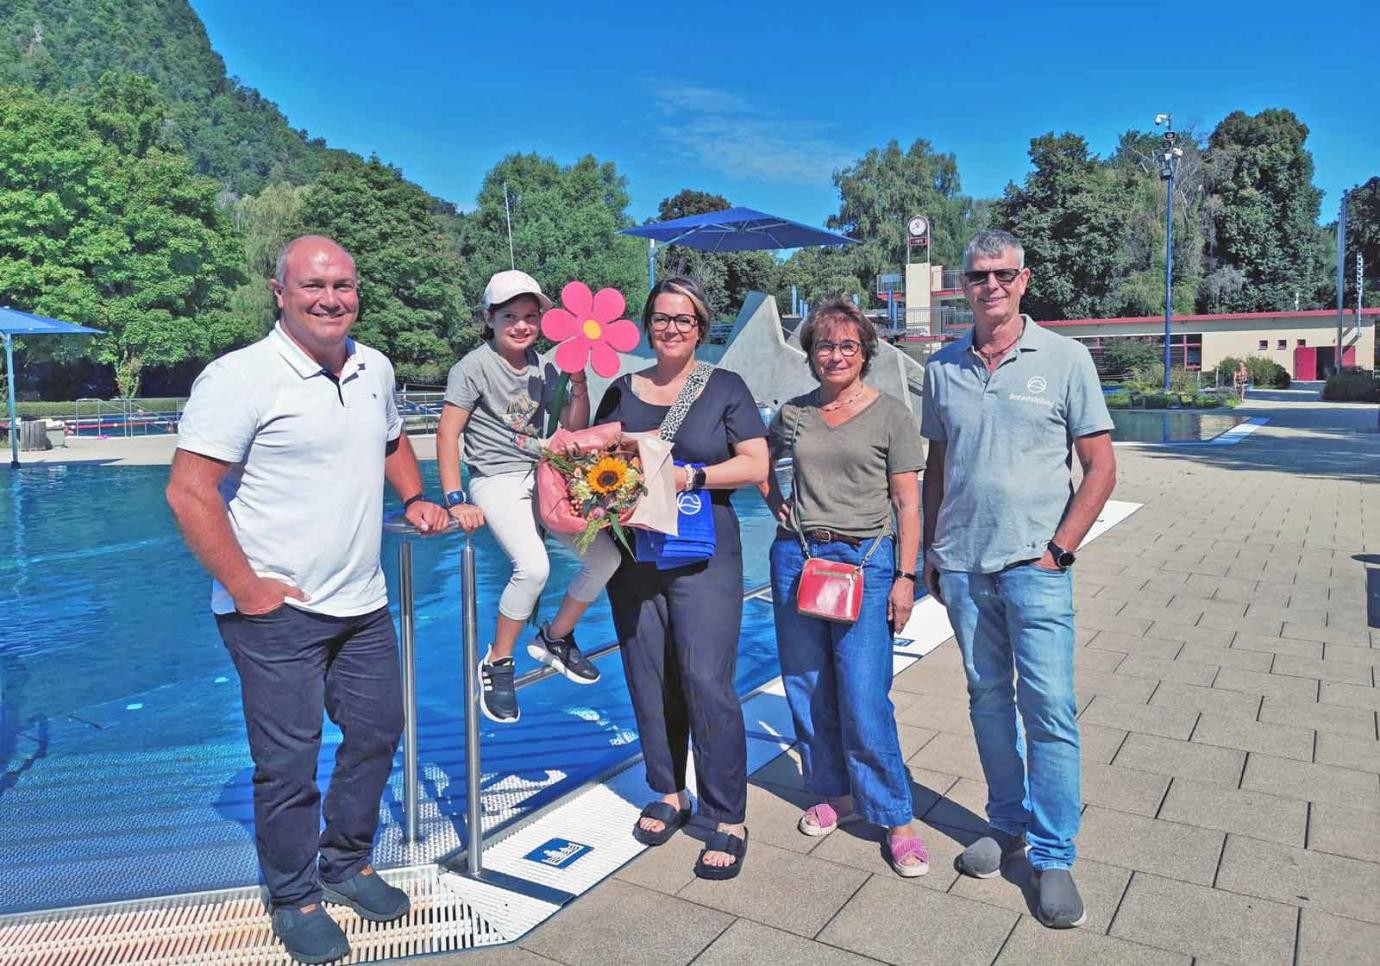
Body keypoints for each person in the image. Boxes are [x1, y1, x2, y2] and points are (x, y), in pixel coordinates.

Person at [166, 235, 452, 965]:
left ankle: (347, 861)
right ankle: (295, 896)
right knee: (288, 765)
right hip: (276, 614)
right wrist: (245, 587)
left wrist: (415, 495)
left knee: (377, 733)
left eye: (344, 286)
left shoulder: (374, 366)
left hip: (361, 603)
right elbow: (189, 489)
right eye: (314, 286)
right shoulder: (242, 377)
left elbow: (390, 439)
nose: (331, 299)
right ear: (281, 291)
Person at [920, 229, 1117, 929]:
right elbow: (939, 468)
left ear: (1024, 280)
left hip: (1035, 567)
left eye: (1003, 274)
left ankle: (1054, 851)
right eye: (978, 276)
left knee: (1051, 710)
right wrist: (931, 557)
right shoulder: (942, 368)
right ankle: (1006, 823)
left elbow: (1100, 467)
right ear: (963, 285)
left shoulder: (1063, 360)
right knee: (986, 702)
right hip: (964, 567)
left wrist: (1059, 551)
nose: (991, 285)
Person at [594, 277, 768, 879]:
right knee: (648, 673)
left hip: (703, 554)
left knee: (704, 677)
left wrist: (691, 477)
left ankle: (727, 812)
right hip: (636, 554)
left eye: (685, 320)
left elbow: (755, 463)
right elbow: (597, 462)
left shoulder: (724, 387)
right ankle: (669, 791)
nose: (672, 329)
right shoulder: (620, 390)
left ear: (701, 327)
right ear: (646, 323)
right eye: (662, 318)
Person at [760, 298, 929, 877]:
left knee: (863, 693)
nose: (835, 355)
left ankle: (896, 815)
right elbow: (759, 460)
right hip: (799, 555)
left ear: (865, 354)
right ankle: (831, 793)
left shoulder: (891, 417)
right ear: (809, 355)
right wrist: (774, 501)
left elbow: (908, 503)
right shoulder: (794, 414)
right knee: (806, 686)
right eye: (824, 346)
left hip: (868, 559)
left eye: (847, 346)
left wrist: (907, 578)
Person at [436, 270, 621, 724]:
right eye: (509, 316)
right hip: (496, 477)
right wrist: (455, 496)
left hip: (544, 474)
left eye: (530, 316)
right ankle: (497, 661)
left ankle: (556, 637)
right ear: (490, 318)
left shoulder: (548, 366)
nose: (521, 325)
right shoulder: (472, 367)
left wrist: (578, 385)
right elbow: (447, 433)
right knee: (534, 567)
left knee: (606, 559)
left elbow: (572, 428)